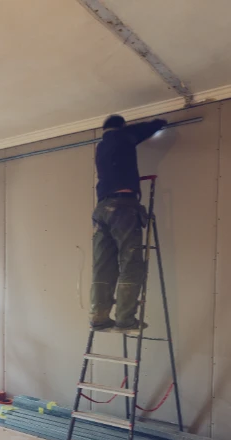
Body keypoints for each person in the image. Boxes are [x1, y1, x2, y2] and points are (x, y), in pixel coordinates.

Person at [90, 114, 167, 332]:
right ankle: (125, 319)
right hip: (123, 207)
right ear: (121, 128)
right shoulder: (121, 138)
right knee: (131, 262)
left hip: (101, 210)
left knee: (103, 266)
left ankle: (99, 318)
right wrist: (160, 123)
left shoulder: (102, 146)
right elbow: (143, 130)